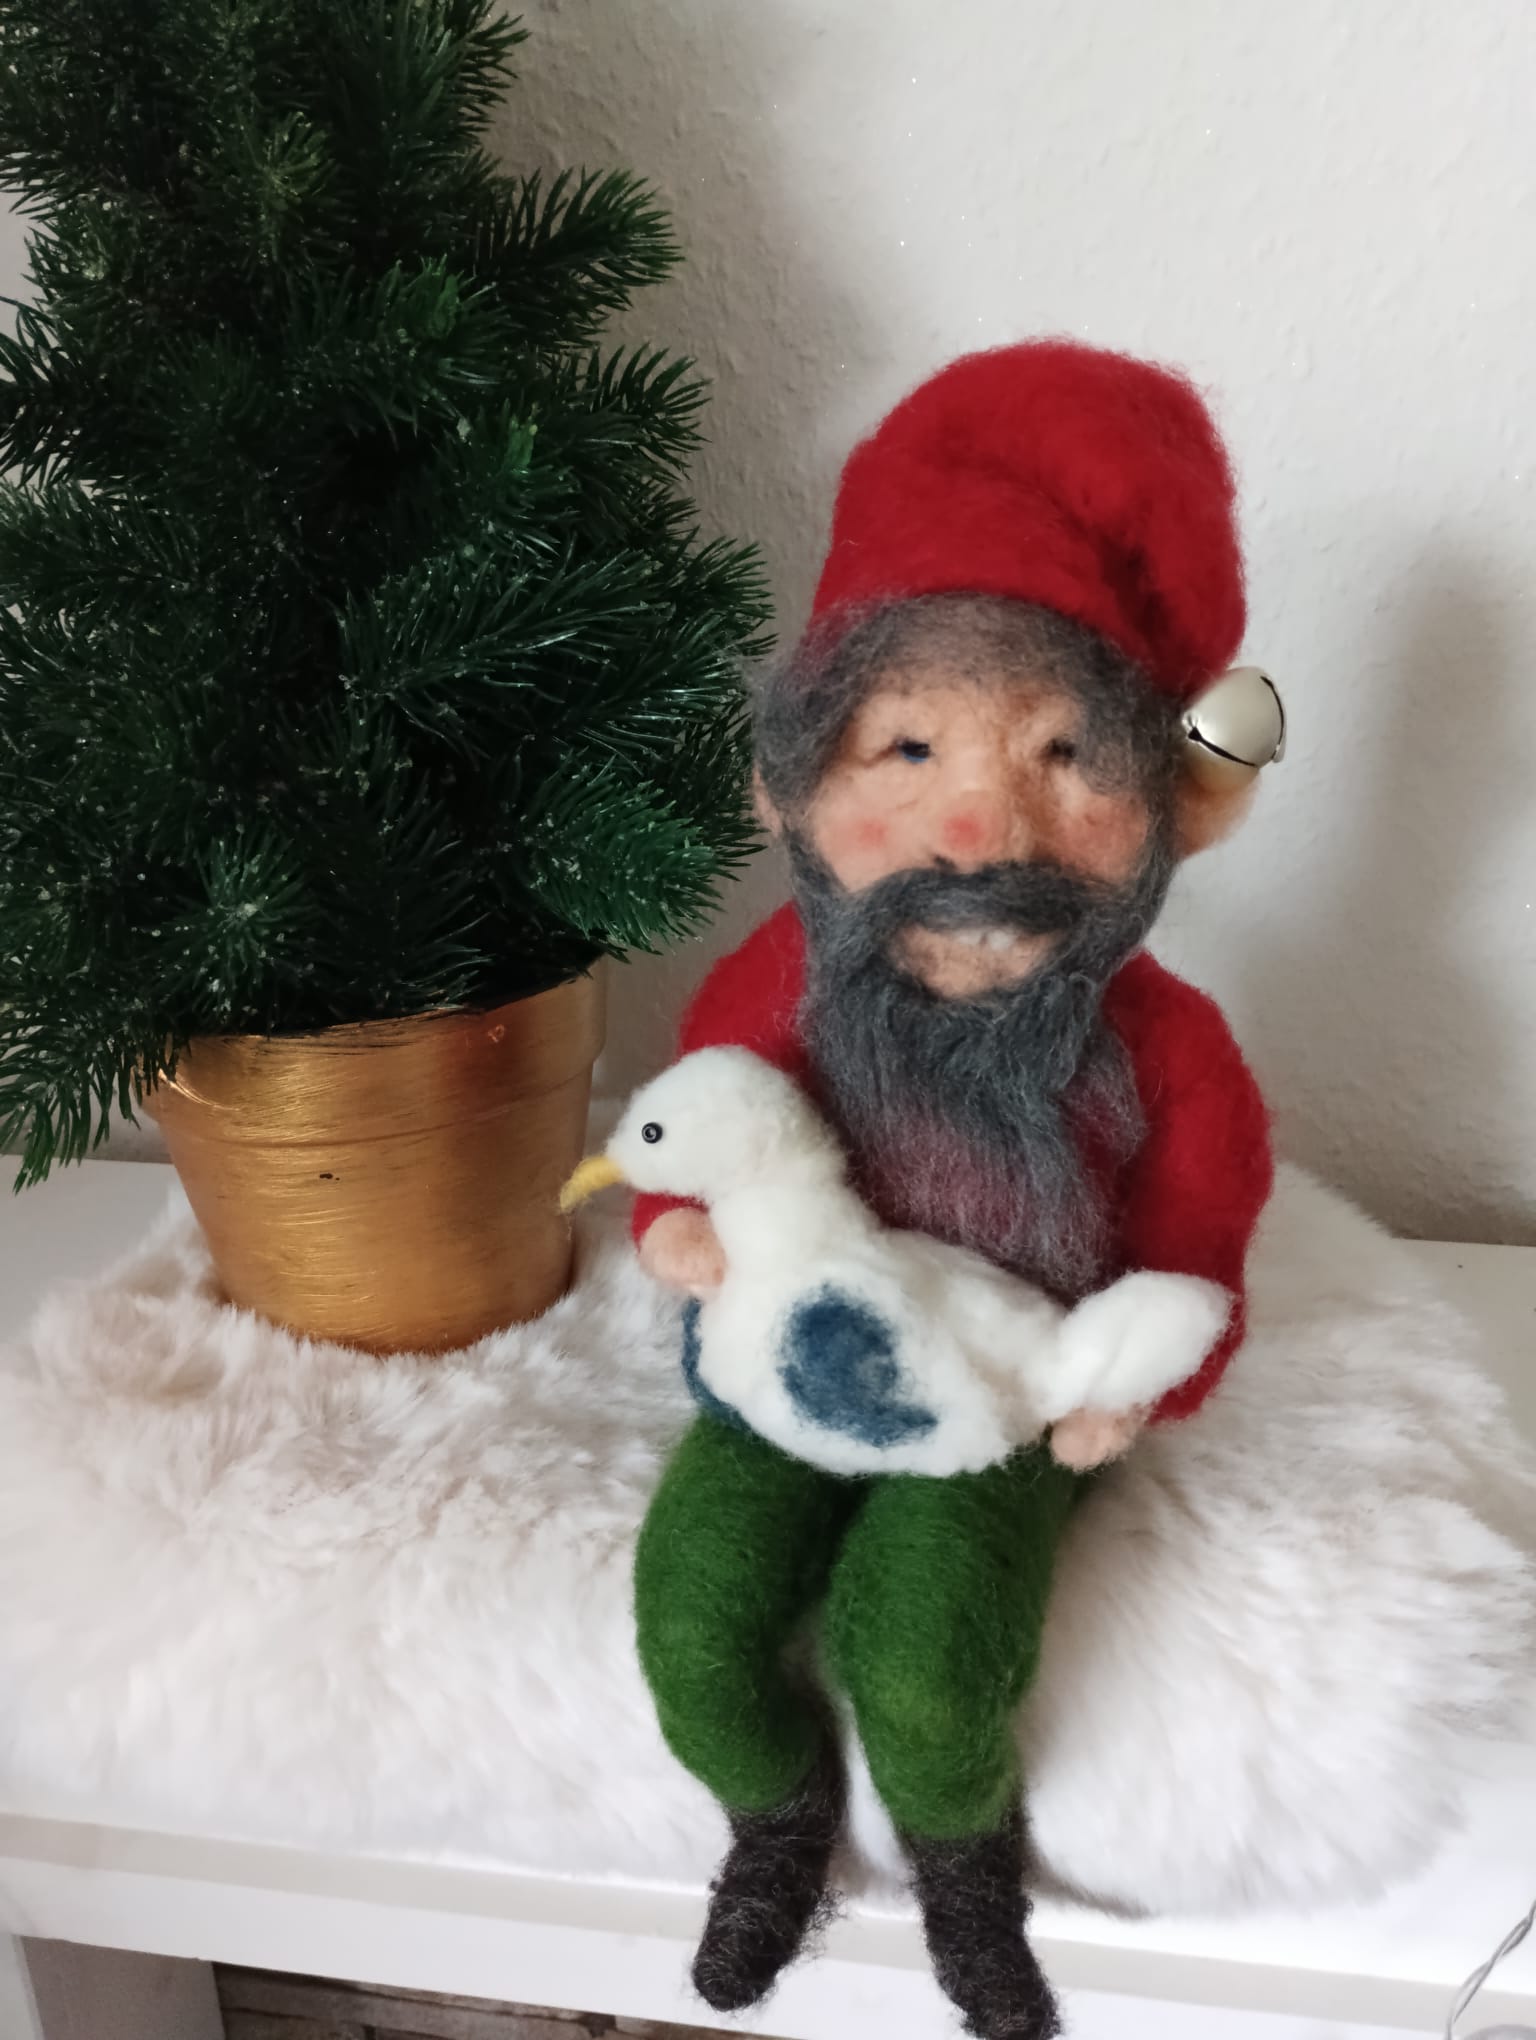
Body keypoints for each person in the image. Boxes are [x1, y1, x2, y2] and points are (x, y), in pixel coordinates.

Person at [629, 340, 1280, 2040]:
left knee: (926, 1661)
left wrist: (1139, 1382)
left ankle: (964, 1877)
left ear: (1172, 810)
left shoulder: (1168, 1053)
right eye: (906, 745)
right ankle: (774, 1827)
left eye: (1065, 753)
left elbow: (1196, 1250)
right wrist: (670, 1223)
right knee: (694, 1618)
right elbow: (700, 1126)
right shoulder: (774, 987)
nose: (979, 823)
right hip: (781, 1355)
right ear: (795, 783)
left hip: (1000, 1393)